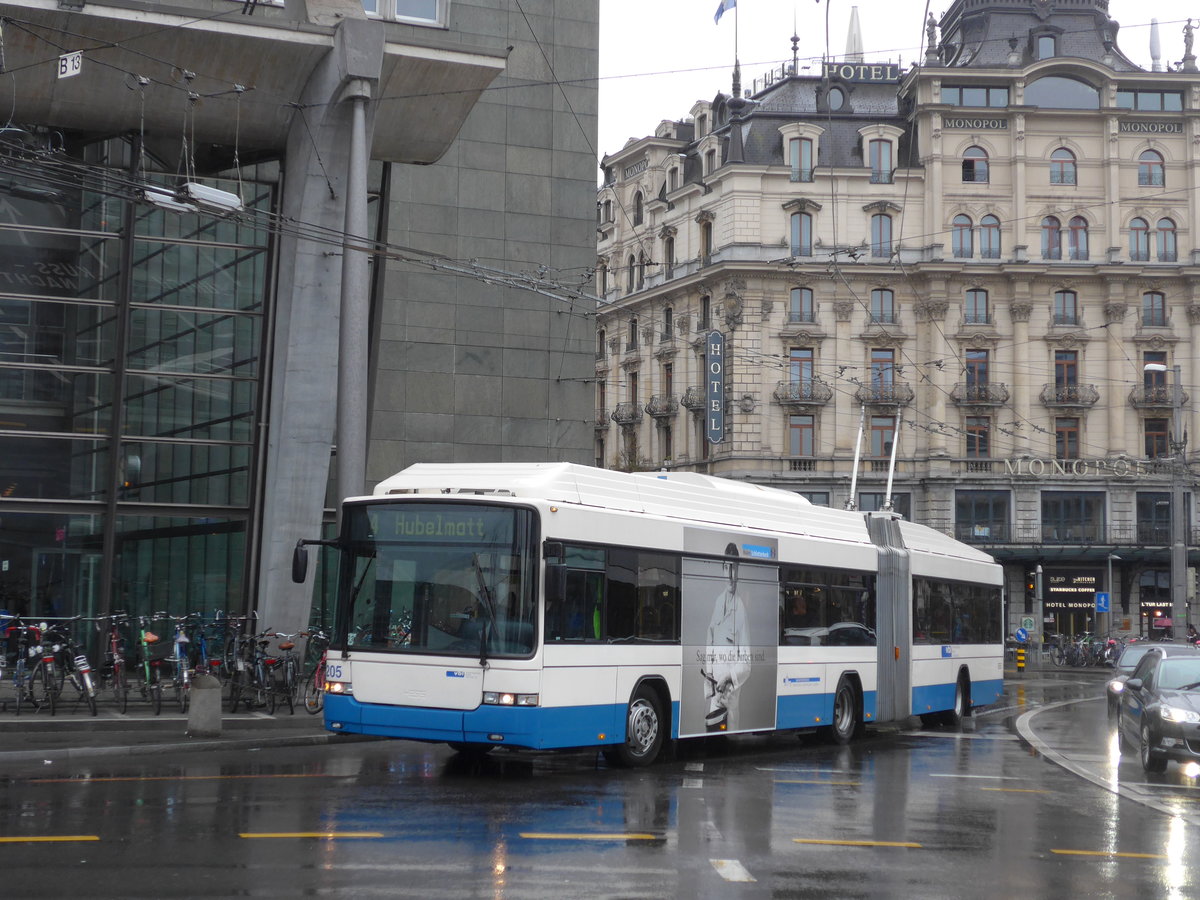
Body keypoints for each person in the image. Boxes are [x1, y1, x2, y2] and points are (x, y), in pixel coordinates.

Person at [702, 543, 751, 731]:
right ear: (722, 570)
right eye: (726, 568)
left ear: (738, 571)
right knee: (710, 738)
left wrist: (727, 677)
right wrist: (709, 672)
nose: (730, 575)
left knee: (727, 739)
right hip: (715, 693)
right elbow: (710, 638)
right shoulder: (718, 602)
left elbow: (746, 664)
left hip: (729, 698)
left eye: (734, 568)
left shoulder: (741, 610)